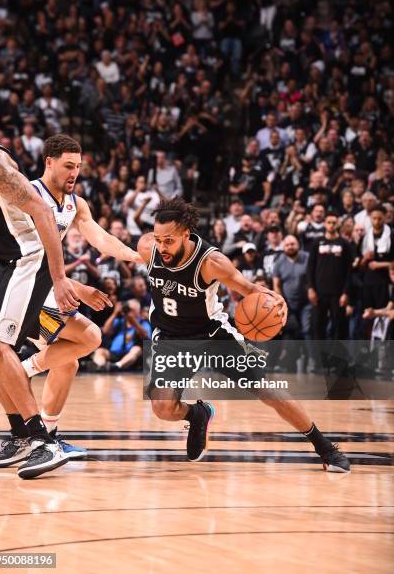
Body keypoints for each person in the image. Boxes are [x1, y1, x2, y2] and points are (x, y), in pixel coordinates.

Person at [137, 197, 350, 472]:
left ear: (186, 235)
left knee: (268, 390)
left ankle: (325, 447)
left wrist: (276, 302)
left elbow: (249, 289)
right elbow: (118, 248)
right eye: (158, 239)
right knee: (163, 409)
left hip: (212, 334)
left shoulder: (211, 262)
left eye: (169, 240)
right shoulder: (148, 247)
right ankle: (198, 414)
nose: (162, 246)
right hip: (171, 339)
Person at [0, 134, 141, 468]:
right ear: (49, 162)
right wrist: (71, 285)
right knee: (2, 350)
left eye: (79, 167)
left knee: (80, 346)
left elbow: (99, 237)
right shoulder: (26, 191)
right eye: (68, 166)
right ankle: (37, 432)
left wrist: (135, 256)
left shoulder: (76, 204)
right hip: (23, 276)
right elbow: (28, 251)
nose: (74, 173)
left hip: (38, 281)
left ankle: (35, 425)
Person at [0, 135, 79, 479]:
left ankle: (44, 441)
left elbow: (42, 211)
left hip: (28, 257)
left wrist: (59, 278)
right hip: (2, 259)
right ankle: (21, 436)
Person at [307, 211, 353, 339]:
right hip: (319, 292)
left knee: (340, 328)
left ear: (338, 224)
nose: (331, 225)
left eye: (334, 222)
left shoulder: (345, 244)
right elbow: (310, 267)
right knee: (318, 327)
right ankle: (319, 358)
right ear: (324, 224)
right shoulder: (317, 242)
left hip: (338, 293)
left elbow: (349, 271)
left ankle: (338, 358)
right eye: (329, 222)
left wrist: (346, 292)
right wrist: (310, 288)